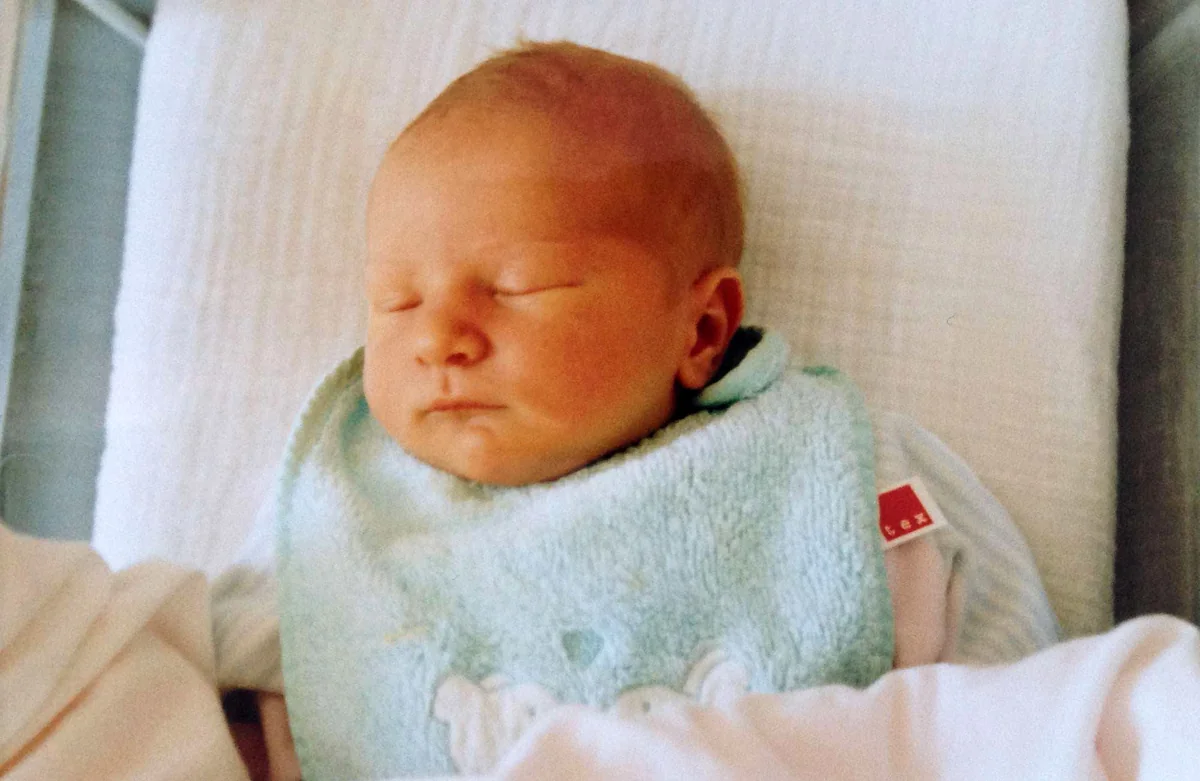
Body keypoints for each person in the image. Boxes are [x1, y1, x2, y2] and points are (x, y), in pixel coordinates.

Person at [212, 41, 1058, 779]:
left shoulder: (833, 479)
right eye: (396, 301)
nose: (437, 338)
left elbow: (1020, 696)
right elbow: (207, 702)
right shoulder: (340, 512)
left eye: (517, 287)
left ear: (702, 328)